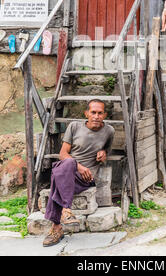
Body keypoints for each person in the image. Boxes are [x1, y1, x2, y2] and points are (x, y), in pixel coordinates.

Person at [43, 99, 114, 247]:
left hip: (84, 178)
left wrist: (104, 152)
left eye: (100, 113)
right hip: (68, 169)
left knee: (57, 182)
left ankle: (56, 228)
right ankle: (66, 210)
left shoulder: (109, 131)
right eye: (93, 112)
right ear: (86, 113)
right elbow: (63, 154)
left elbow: (107, 148)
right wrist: (79, 166)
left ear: (104, 115)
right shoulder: (74, 126)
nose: (96, 116)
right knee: (68, 163)